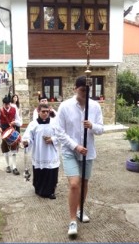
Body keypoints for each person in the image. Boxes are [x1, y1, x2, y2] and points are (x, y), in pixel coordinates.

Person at [55, 75, 104, 237]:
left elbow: (101, 129)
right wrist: (75, 146)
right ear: (75, 89)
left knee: (84, 183)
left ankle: (80, 210)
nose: (85, 93)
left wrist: (92, 125)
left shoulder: (95, 107)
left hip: (88, 151)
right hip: (70, 151)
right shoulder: (65, 106)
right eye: (82, 90)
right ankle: (72, 220)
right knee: (75, 184)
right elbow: (59, 132)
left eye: (88, 90)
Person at [22, 103, 60, 199]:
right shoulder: (33, 124)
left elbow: (61, 136)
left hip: (51, 153)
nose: (45, 113)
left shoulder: (54, 123)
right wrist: (26, 141)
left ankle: (51, 191)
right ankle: (39, 189)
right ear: (38, 111)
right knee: (39, 171)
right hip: (39, 153)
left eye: (47, 111)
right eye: (43, 111)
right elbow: (28, 136)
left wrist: (53, 139)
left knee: (51, 171)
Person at [0, 96, 22, 175]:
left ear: (10, 103)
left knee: (14, 148)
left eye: (8, 104)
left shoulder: (14, 109)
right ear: (3, 103)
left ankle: (14, 167)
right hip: (4, 131)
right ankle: (8, 165)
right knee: (5, 149)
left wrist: (15, 122)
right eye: (5, 104)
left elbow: (19, 121)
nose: (7, 106)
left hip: (12, 130)